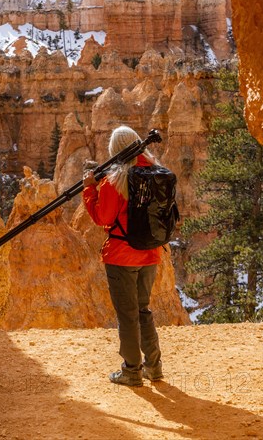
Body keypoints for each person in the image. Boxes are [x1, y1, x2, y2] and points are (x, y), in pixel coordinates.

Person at [82, 125, 164, 387]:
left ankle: (131, 371)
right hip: (150, 253)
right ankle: (154, 367)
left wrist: (89, 190)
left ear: (114, 150)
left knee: (128, 315)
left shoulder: (114, 181)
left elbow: (102, 218)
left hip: (121, 256)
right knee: (143, 310)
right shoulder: (156, 172)